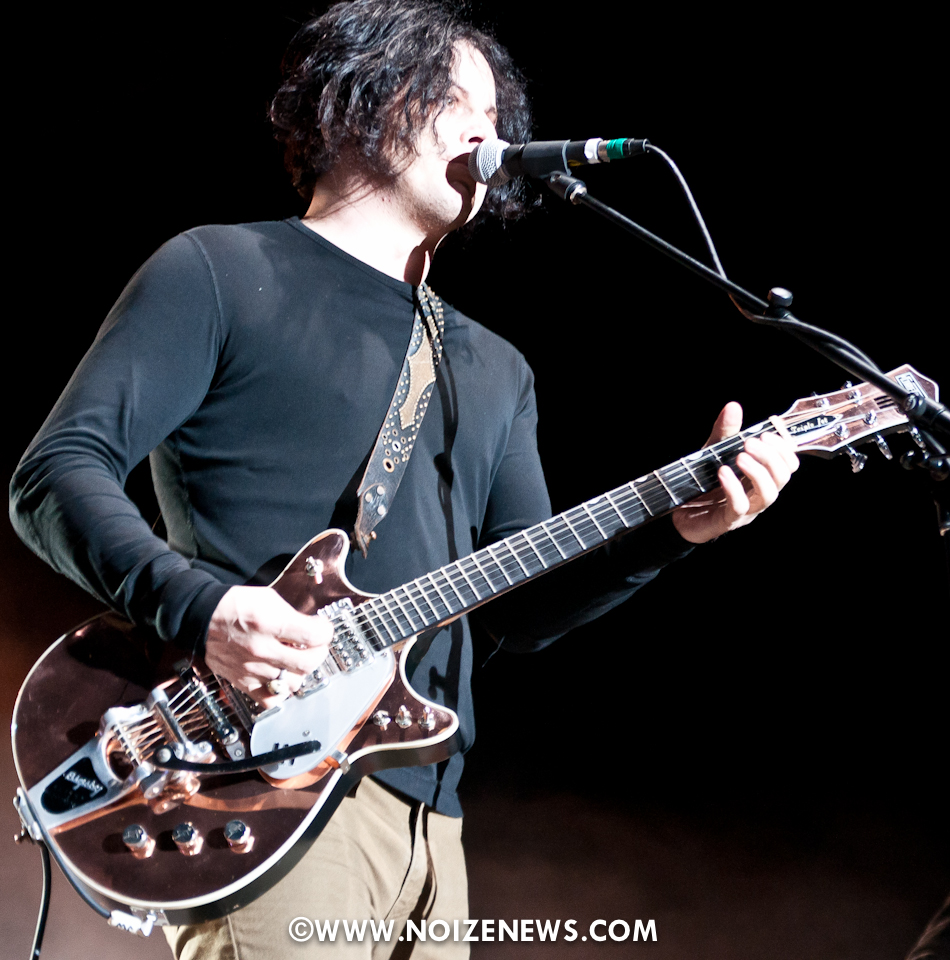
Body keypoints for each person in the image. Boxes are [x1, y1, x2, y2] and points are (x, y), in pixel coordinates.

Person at [8, 1, 799, 956]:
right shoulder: (220, 269)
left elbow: (517, 608)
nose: (492, 132)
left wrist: (675, 532)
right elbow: (54, 472)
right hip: (251, 792)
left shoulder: (495, 368)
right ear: (373, 97)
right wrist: (204, 609)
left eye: (500, 117)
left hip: (434, 830)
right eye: (465, 103)